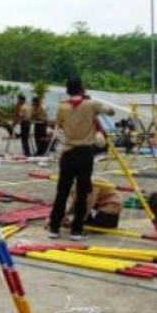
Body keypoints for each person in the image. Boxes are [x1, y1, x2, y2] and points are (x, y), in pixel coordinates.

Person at [48, 77, 115, 240]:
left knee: (62, 192)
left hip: (68, 152)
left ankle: (54, 228)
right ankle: (77, 231)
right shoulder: (91, 105)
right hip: (85, 153)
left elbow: (59, 124)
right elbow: (111, 111)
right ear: (82, 89)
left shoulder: (62, 107)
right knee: (82, 192)